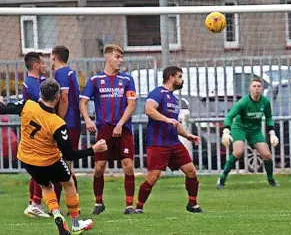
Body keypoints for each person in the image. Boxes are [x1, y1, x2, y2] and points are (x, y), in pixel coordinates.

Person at [0, 78, 107, 235]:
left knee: (46, 186)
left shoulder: (27, 105)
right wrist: (94, 149)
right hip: (50, 160)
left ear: (40, 94)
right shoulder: (57, 123)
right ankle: (76, 224)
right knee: (68, 183)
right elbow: (69, 154)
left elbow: (3, 109)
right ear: (57, 97)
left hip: (28, 160)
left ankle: (56, 214)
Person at [134, 66, 203, 213]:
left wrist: (188, 135)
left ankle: (192, 204)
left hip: (173, 143)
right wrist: (166, 119)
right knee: (153, 177)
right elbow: (149, 109)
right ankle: (138, 207)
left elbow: (175, 123)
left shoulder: (173, 98)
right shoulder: (158, 92)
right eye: (179, 76)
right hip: (158, 143)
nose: (181, 80)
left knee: (191, 171)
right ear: (171, 77)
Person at [79, 44, 137, 214]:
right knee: (99, 168)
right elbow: (82, 102)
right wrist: (88, 120)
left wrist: (120, 124)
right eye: (117, 57)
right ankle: (98, 203)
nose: (120, 61)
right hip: (104, 129)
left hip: (124, 128)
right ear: (107, 58)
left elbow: (132, 104)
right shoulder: (95, 80)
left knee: (128, 166)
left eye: (121, 57)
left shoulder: (127, 80)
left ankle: (129, 205)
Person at [217, 78, 279, 189]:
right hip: (240, 128)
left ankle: (271, 180)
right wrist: (226, 131)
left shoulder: (265, 102)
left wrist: (272, 133)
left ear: (262, 88)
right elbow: (230, 116)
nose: (256, 89)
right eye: (254, 86)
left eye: (259, 86)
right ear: (250, 88)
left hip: (254, 130)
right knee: (238, 151)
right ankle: (222, 178)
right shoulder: (243, 102)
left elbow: (269, 117)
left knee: (267, 155)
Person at [51, 45, 82, 202]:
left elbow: (64, 98)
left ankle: (63, 203)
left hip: (67, 124)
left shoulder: (61, 73)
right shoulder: (70, 72)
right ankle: (70, 203)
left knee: (61, 165)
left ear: (54, 56)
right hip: (74, 123)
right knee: (65, 165)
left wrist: (58, 120)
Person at [21, 51, 50, 218]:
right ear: (36, 66)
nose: (45, 66)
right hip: (35, 130)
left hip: (41, 128)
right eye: (43, 63)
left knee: (39, 167)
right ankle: (35, 203)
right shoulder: (30, 83)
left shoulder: (40, 81)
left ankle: (34, 203)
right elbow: (43, 100)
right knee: (41, 166)